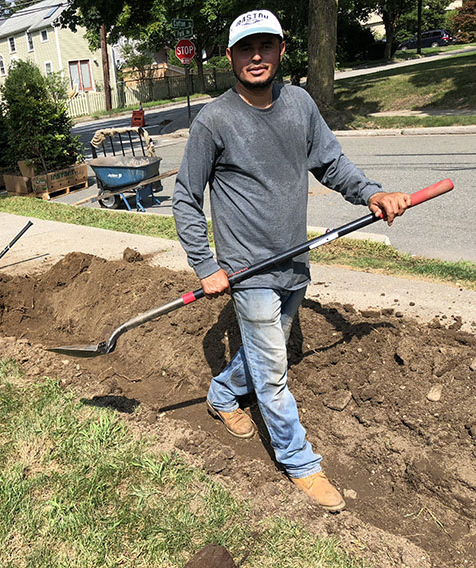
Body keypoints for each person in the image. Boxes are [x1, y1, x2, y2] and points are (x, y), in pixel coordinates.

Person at [172, 9, 411, 512]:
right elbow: (185, 198)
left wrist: (371, 193)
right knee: (274, 373)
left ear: (282, 50)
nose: (255, 57)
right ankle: (300, 462)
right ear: (231, 57)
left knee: (269, 353)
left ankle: (221, 394)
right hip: (247, 270)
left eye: (265, 46)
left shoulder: (299, 103)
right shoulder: (213, 120)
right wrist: (205, 265)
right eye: (244, 48)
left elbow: (331, 163)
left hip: (295, 261)